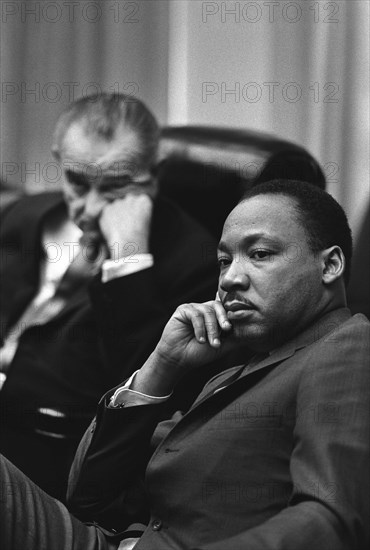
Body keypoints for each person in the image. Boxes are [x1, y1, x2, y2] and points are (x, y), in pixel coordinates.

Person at [1, 179, 369, 550]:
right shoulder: (233, 370)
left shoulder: (346, 347)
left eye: (259, 254)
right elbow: (87, 496)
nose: (230, 278)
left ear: (330, 265)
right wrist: (161, 365)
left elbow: (331, 520)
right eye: (224, 260)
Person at [0, 92, 219, 500]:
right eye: (77, 183)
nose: (91, 209)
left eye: (116, 187)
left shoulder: (198, 264)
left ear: (155, 173)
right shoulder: (27, 216)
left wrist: (129, 259)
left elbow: (146, 397)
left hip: (51, 465)